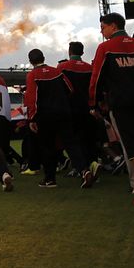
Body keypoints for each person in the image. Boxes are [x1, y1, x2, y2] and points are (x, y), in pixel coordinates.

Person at [89, 12, 134, 205]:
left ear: (113, 26)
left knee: (132, 144)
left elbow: (96, 79)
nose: (102, 31)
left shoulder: (105, 48)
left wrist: (93, 103)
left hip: (122, 103)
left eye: (103, 27)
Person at [25, 49, 85, 189]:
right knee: (71, 144)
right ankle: (84, 170)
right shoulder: (57, 71)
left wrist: (32, 118)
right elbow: (70, 89)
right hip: (64, 113)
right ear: (44, 57)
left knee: (47, 147)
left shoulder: (32, 75)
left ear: (30, 61)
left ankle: (50, 179)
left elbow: (32, 98)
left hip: (45, 117)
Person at [55, 43, 100, 188]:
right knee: (87, 138)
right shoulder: (89, 67)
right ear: (82, 52)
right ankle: (92, 163)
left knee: (71, 141)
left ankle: (81, 168)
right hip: (87, 108)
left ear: (69, 51)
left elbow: (59, 89)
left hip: (70, 109)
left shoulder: (62, 67)